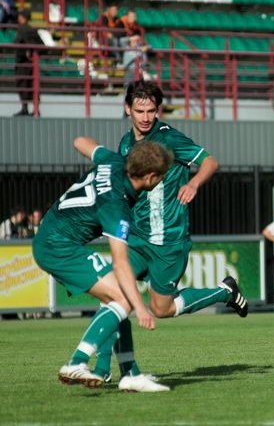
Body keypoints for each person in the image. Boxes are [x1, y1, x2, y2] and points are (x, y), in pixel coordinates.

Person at [76, 80, 249, 380]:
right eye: (139, 110)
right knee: (114, 294)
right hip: (137, 238)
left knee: (161, 308)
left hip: (169, 241)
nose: (145, 117)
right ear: (127, 109)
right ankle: (103, 369)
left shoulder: (169, 138)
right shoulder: (125, 143)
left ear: (158, 110)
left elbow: (210, 161)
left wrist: (194, 183)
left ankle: (224, 292)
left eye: (151, 111)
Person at [32, 137, 172, 391]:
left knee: (115, 300)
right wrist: (141, 308)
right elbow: (121, 262)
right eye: (161, 176)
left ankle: (130, 373)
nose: (162, 180)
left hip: (51, 237)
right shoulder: (116, 207)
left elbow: (79, 141)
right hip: (58, 246)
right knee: (124, 298)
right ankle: (77, 361)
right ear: (150, 177)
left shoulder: (113, 161)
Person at [13, 8, 42, 117]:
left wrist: (27, 52)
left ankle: (25, 108)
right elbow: (41, 46)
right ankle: (35, 110)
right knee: (32, 86)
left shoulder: (22, 29)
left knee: (23, 85)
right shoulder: (31, 30)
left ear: (22, 17)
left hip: (23, 63)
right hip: (31, 63)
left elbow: (18, 44)